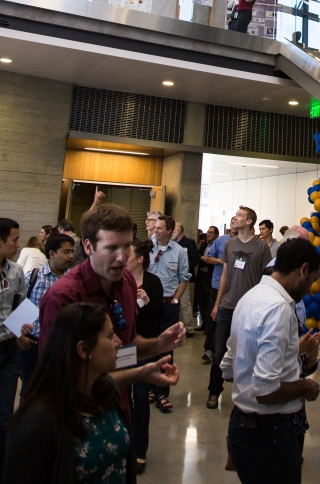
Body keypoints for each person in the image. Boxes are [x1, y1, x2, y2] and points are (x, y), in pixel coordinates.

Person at [5, 303, 176, 482]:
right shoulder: (36, 424)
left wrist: (144, 371)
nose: (119, 342)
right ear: (84, 349)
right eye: (110, 336)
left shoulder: (104, 392)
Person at [39, 205, 185, 413]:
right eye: (111, 248)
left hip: (118, 411)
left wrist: (156, 345)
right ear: (88, 247)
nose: (122, 257)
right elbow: (60, 377)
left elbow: (126, 346)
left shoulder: (126, 283)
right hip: (76, 420)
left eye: (126, 247)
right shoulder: (63, 297)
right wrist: (139, 374)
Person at [221, 238, 320, 484]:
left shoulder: (249, 297)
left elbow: (228, 367)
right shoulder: (278, 308)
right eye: (310, 281)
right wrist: (306, 387)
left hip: (244, 427)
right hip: (269, 436)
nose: (309, 290)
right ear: (303, 270)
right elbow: (265, 391)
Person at [207, 207, 272, 409]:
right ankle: (214, 391)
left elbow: (266, 278)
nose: (235, 218)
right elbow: (225, 275)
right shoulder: (230, 244)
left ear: (249, 221)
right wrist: (217, 303)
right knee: (219, 352)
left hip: (251, 309)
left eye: (240, 215)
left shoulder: (261, 247)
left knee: (247, 354)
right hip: (228, 306)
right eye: (236, 215)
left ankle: (246, 394)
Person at [20, 232, 75, 395]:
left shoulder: (74, 280)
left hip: (61, 346)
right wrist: (20, 338)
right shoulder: (34, 277)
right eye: (66, 252)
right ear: (52, 254)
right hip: (33, 346)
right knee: (29, 392)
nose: (71, 256)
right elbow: (20, 307)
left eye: (72, 251)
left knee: (57, 393)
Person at [126, 238, 164, 476]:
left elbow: (158, 316)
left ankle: (140, 450)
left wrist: (147, 301)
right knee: (120, 395)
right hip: (123, 346)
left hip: (144, 347)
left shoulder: (153, 282)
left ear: (139, 259)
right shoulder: (119, 281)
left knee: (140, 397)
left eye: (127, 254)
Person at [148, 215, 189, 413]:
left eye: (160, 228)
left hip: (168, 304)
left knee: (165, 348)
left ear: (170, 231)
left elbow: (184, 278)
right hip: (147, 305)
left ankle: (161, 391)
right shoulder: (147, 247)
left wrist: (175, 300)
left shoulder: (180, 252)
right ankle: (148, 386)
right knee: (148, 344)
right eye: (155, 227)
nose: (156, 230)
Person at [0, 218, 27, 481]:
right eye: (14, 240)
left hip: (8, 351)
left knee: (5, 414)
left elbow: (20, 307)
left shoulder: (16, 271)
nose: (18, 245)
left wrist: (20, 333)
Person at [200, 220, 236, 363]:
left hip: (235, 285)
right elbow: (207, 258)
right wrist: (221, 261)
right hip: (217, 283)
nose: (234, 224)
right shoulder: (221, 240)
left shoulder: (245, 242)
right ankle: (209, 348)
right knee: (213, 315)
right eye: (233, 221)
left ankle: (229, 350)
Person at [172, 221, 200, 337]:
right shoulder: (171, 243)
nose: (171, 231)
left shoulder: (189, 242)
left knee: (184, 303)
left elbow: (195, 258)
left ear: (178, 230)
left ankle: (189, 328)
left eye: (173, 229)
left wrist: (186, 269)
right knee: (174, 302)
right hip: (172, 277)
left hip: (184, 277)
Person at [196, 225, 217, 334]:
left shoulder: (217, 245)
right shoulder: (204, 244)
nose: (208, 234)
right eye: (208, 232)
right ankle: (204, 323)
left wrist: (209, 260)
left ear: (216, 235)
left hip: (210, 276)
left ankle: (209, 326)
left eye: (211, 232)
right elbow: (197, 255)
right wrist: (202, 258)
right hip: (201, 276)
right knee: (201, 301)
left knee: (209, 302)